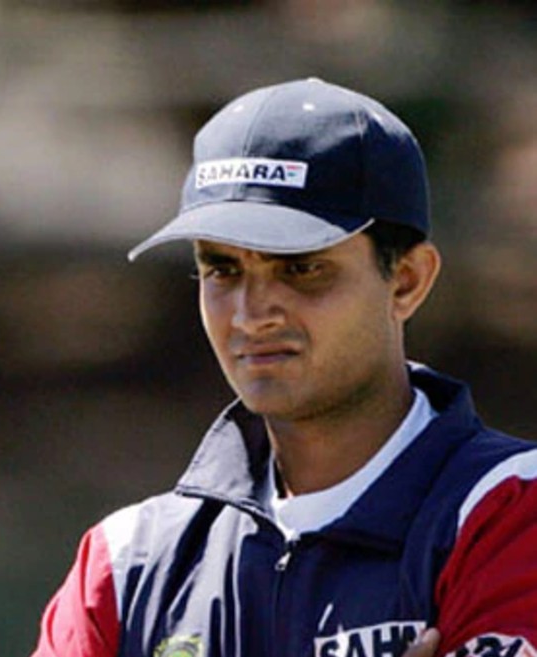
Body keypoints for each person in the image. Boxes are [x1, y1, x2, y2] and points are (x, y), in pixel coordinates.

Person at [32, 78, 537, 657]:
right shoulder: (127, 563)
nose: (251, 313)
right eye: (221, 269)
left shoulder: (511, 512)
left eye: (300, 269)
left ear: (406, 281)